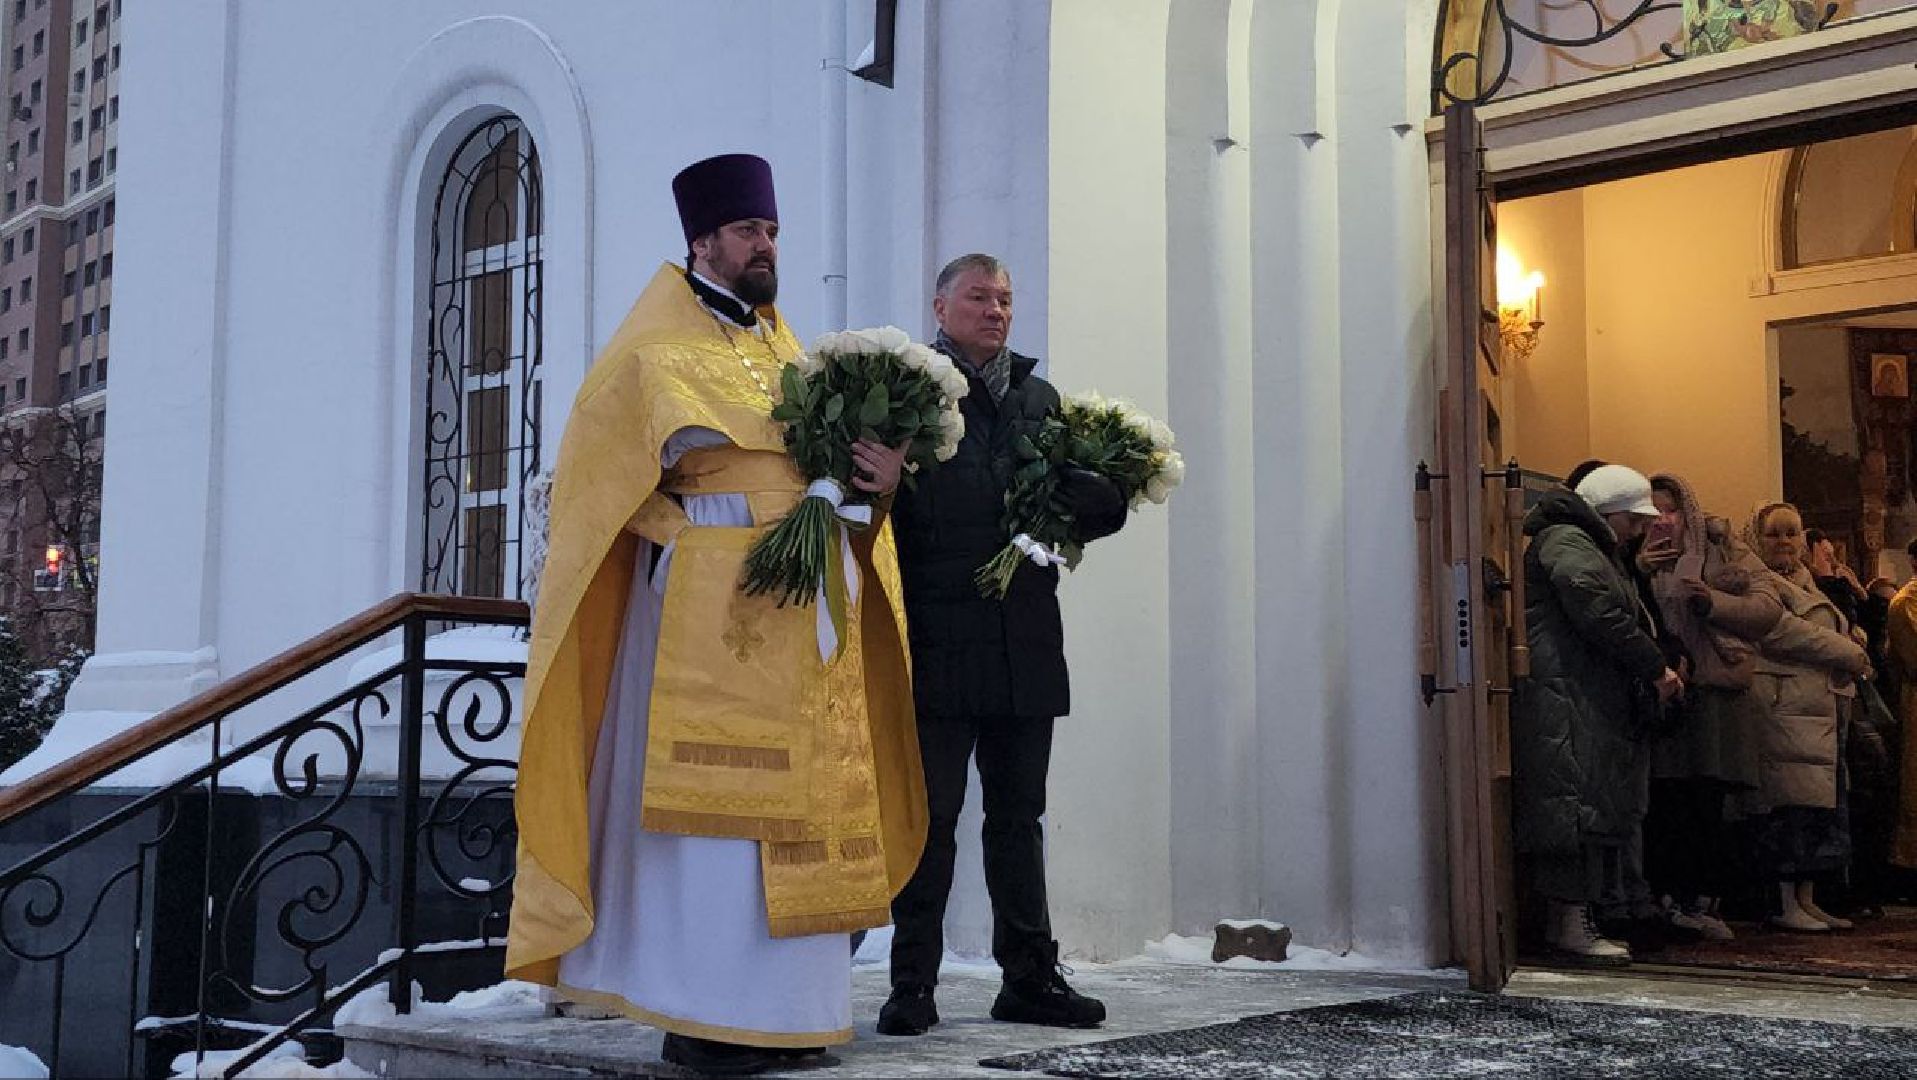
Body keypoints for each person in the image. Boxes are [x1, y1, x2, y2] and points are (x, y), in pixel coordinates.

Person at [504, 153, 927, 1076]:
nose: (765, 246)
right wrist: (693, 534)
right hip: (708, 612)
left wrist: (876, 486)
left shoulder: (794, 354)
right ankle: (705, 1017)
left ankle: (794, 1013)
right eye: (748, 232)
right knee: (720, 821)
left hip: (811, 596)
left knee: (809, 808)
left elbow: (833, 480)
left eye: (771, 231)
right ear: (702, 240)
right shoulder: (647, 352)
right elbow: (588, 492)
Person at [876, 254, 1126, 1036]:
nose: (996, 311)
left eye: (1005, 299)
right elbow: (874, 516)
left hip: (1023, 636)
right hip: (940, 634)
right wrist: (875, 482)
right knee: (932, 818)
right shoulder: (906, 394)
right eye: (979, 298)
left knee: (1019, 816)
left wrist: (1102, 501)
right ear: (940, 307)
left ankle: (1027, 977)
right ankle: (910, 984)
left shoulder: (1037, 396)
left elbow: (1069, 503)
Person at [1513, 464, 1683, 963]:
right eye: (1634, 519)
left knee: (1584, 803)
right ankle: (1569, 922)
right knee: (1574, 806)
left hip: (1579, 692)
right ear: (1610, 512)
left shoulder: (1576, 542)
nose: (1640, 530)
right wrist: (1654, 666)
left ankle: (1573, 919)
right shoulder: (1568, 540)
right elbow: (1597, 608)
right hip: (1568, 696)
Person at [1641, 474, 1779, 942]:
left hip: (1718, 691)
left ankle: (1702, 899)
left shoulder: (1724, 550)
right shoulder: (1630, 555)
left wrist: (1710, 600)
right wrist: (1639, 569)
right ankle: (1668, 897)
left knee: (1710, 800)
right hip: (1665, 695)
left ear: (1688, 514)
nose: (1663, 520)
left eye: (1671, 510)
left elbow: (1768, 608)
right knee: (1668, 799)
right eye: (1654, 510)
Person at [1744, 502, 1870, 933]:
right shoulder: (1756, 583)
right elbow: (1780, 631)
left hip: (1816, 705)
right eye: (1775, 534)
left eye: (1791, 533)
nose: (1784, 542)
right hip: (1783, 703)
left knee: (1816, 805)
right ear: (1759, 539)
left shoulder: (1809, 583)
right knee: (1787, 803)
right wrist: (1848, 651)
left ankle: (1806, 896)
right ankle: (1784, 900)